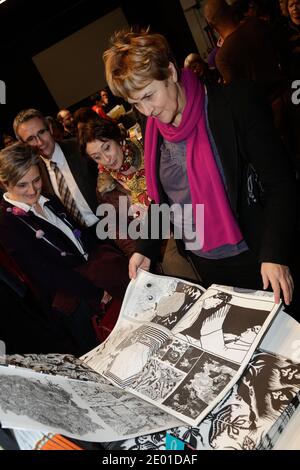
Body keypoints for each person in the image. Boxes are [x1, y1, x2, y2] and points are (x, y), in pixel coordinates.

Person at [103, 28, 297, 308]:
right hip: (206, 264)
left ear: (170, 72)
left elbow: (281, 184)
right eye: (135, 103)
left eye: (149, 96)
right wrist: (145, 249)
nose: (146, 110)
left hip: (256, 257)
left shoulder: (236, 104)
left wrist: (275, 253)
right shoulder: (152, 124)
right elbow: (166, 199)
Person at [0, 143, 130, 352]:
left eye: (36, 180)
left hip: (100, 285)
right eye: (22, 185)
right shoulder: (7, 224)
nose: (33, 190)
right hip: (78, 306)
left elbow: (81, 239)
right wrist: (97, 290)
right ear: (6, 184)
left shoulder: (49, 199)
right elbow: (46, 274)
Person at [79, 118, 199, 280]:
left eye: (107, 148)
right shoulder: (104, 189)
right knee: (176, 265)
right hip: (157, 246)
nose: (107, 160)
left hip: (188, 221)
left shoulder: (151, 151)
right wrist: (140, 252)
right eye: (97, 157)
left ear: (117, 138)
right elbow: (120, 232)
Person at [13, 109, 98, 229]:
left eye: (42, 132)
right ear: (23, 144)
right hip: (79, 240)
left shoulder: (81, 148)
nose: (40, 142)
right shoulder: (34, 174)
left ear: (50, 128)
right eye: (31, 139)